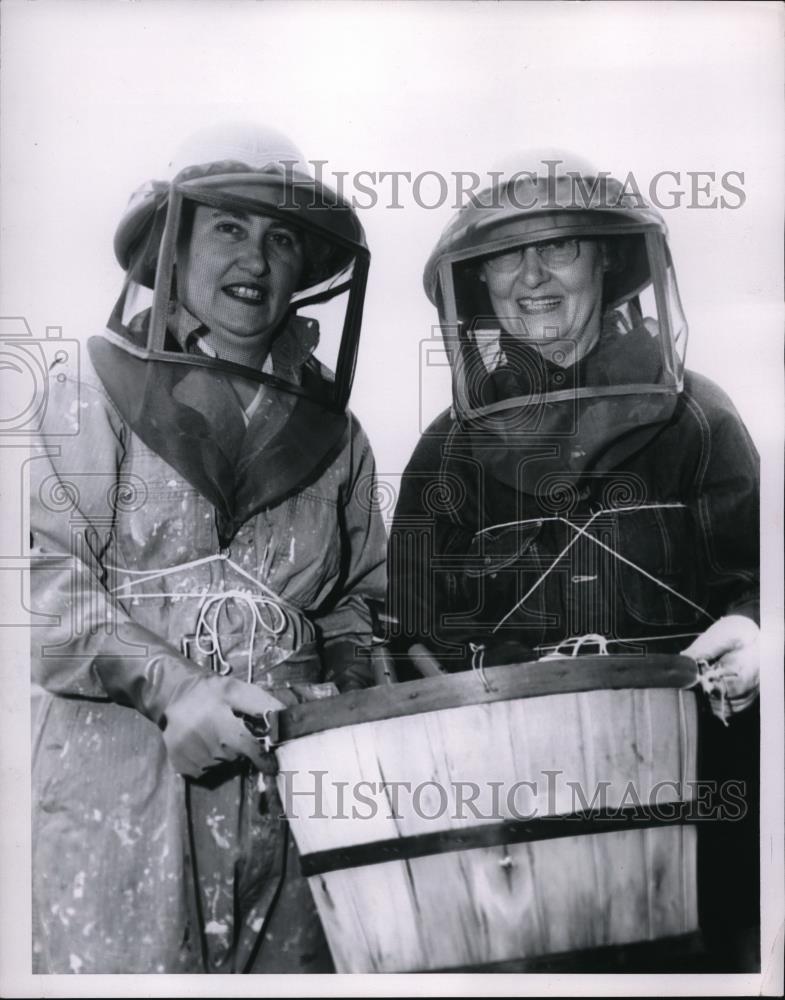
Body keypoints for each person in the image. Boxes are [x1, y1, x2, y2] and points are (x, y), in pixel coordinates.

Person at [387, 153, 760, 970]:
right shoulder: (444, 452)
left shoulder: (699, 421)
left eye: (557, 247)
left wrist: (752, 629)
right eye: (504, 256)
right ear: (475, 282)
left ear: (606, 258)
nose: (530, 276)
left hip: (695, 828)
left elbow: (758, 586)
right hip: (511, 844)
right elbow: (408, 634)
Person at [30, 123, 387, 974]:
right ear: (175, 241)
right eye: (229, 226)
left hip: (291, 817)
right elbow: (45, 586)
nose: (256, 260)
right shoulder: (87, 387)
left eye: (282, 237)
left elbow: (361, 598)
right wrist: (177, 689)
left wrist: (346, 666)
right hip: (121, 796)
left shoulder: (339, 437)